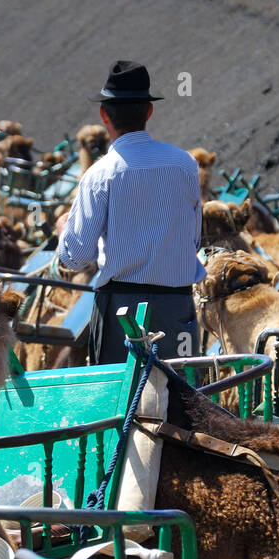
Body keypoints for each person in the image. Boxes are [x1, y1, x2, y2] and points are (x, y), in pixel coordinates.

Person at [55, 60, 203, 365]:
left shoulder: (99, 175)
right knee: (185, 403)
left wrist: (63, 233)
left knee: (118, 406)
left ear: (104, 115)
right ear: (149, 112)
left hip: (121, 314)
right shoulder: (185, 164)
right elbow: (194, 240)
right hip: (178, 309)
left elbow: (76, 258)